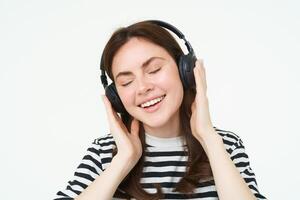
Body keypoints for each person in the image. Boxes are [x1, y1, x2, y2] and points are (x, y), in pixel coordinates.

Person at [54, 20, 267, 200]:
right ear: (115, 97)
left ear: (185, 70)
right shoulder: (104, 152)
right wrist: (123, 159)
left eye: (154, 70)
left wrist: (208, 138)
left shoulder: (225, 145)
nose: (143, 87)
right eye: (127, 82)